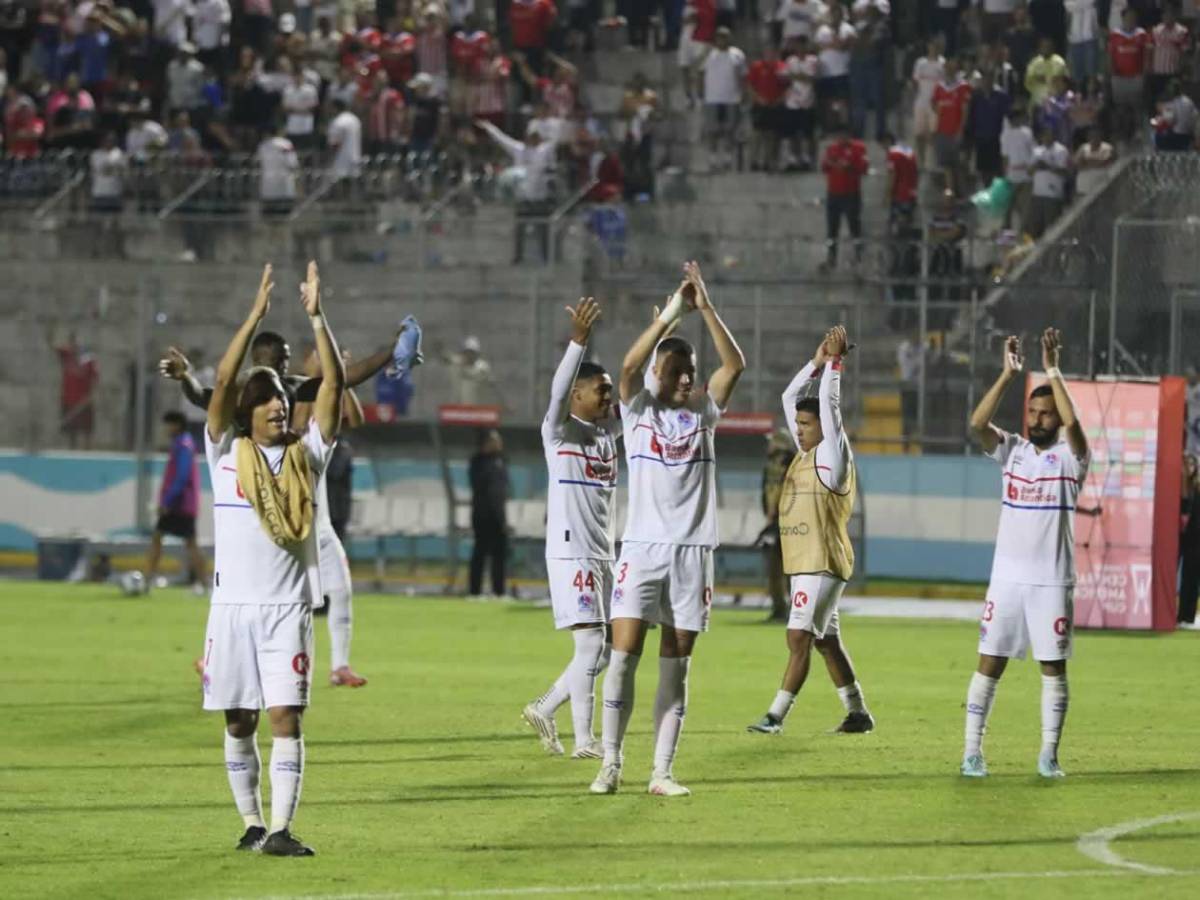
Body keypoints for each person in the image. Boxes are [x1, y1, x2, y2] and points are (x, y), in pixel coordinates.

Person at [201, 261, 346, 856]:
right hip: (231, 610)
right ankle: (252, 824)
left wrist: (317, 318)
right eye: (266, 401)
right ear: (247, 410)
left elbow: (334, 386)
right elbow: (221, 380)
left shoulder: (307, 458)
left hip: (286, 612)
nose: (279, 407)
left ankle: (283, 830)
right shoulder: (225, 455)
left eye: (283, 398)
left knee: (287, 718)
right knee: (239, 722)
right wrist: (252, 318)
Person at [590, 260, 745, 797]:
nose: (685, 377)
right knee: (623, 656)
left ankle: (661, 772)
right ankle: (610, 763)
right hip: (642, 549)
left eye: (690, 369)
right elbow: (627, 369)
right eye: (675, 369)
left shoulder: (705, 412)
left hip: (693, 553)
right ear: (660, 374)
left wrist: (704, 308)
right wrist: (671, 316)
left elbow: (736, 364)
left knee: (676, 667)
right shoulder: (637, 411)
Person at [962, 329, 1089, 779]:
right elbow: (977, 425)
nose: (1037, 418)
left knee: (1052, 668)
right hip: (1008, 580)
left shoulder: (1072, 460)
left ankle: (1049, 754)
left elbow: (1075, 429)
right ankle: (972, 752)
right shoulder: (1012, 451)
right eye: (1033, 411)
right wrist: (1007, 375)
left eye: (1045, 413)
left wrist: (1053, 370)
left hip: (1052, 580)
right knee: (989, 663)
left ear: (1057, 419)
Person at [747, 323, 874, 736]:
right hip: (807, 561)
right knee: (824, 640)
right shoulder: (805, 451)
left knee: (797, 636)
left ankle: (775, 715)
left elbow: (830, 410)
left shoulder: (831, 458)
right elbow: (789, 396)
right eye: (797, 424)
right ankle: (857, 712)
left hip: (822, 563)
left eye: (805, 424)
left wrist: (835, 366)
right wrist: (816, 362)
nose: (798, 429)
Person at [522, 298, 618, 759]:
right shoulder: (558, 433)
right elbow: (557, 393)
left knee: (605, 651)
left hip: (603, 552)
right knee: (593, 643)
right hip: (570, 552)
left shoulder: (607, 437)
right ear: (579, 394)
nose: (609, 396)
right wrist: (578, 343)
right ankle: (585, 740)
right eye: (601, 389)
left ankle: (545, 706)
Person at [293, 347, 369, 688]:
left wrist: (340, 377)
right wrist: (317, 376)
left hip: (321, 525)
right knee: (270, 602)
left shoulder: (330, 394)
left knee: (341, 589)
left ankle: (340, 665)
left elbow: (357, 418)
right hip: (291, 527)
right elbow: (296, 426)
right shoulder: (293, 393)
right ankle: (218, 656)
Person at [145, 411, 208, 593]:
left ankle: (148, 579)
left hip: (180, 505)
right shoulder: (182, 444)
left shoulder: (184, 445)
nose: (166, 429)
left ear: (177, 425)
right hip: (183, 504)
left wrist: (167, 502)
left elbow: (181, 477)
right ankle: (205, 583)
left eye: (168, 424)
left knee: (162, 539)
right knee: (187, 543)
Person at [819, 118, 867, 271]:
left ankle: (859, 258)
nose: (841, 138)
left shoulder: (859, 148)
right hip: (833, 194)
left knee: (855, 227)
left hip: (851, 194)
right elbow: (825, 167)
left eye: (843, 135)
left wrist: (849, 166)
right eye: (838, 136)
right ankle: (831, 258)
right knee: (832, 229)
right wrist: (833, 164)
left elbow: (863, 168)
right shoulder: (831, 149)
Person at [760, 428, 796, 622]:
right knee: (774, 567)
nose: (770, 445)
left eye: (773, 442)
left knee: (790, 569)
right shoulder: (770, 465)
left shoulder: (793, 464)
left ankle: (794, 610)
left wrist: (775, 511)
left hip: (788, 523)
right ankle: (779, 608)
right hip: (774, 523)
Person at [469, 428, 510, 597]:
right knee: (480, 552)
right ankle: (475, 591)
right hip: (483, 514)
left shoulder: (501, 461)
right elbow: (483, 488)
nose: (499, 443)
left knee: (499, 553)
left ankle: (499, 591)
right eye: (495, 440)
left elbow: (502, 490)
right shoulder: (477, 462)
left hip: (498, 514)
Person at [701, 26, 747, 172]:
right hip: (712, 98)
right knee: (712, 131)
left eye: (725, 36)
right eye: (720, 36)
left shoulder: (737, 54)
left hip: (731, 98)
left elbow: (743, 75)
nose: (722, 39)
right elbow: (699, 72)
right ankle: (713, 160)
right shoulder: (709, 54)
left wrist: (743, 93)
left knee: (729, 130)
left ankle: (727, 159)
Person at [1027, 128, 1070, 239]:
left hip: (1053, 195)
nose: (1047, 138)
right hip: (1037, 194)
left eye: (1049, 135)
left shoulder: (1061, 150)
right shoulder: (1037, 151)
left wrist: (1047, 166)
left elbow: (1065, 172)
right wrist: (1036, 166)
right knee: (1035, 228)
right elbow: (1029, 172)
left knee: (1052, 228)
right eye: (1044, 135)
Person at [911, 38, 945, 170]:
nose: (933, 48)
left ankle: (933, 163)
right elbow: (915, 81)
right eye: (931, 46)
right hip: (921, 101)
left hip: (935, 103)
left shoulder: (942, 63)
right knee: (919, 134)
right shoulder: (920, 63)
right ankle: (921, 162)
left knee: (934, 134)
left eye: (936, 46)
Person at [1074, 125, 1115, 195]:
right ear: (1088, 137)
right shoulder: (1083, 148)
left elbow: (1103, 162)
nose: (1094, 138)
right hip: (1084, 188)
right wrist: (1095, 161)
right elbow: (1077, 164)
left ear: (1100, 136)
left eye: (1096, 136)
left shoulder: (1107, 147)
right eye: (1092, 136)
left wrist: (1087, 162)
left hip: (1101, 187)